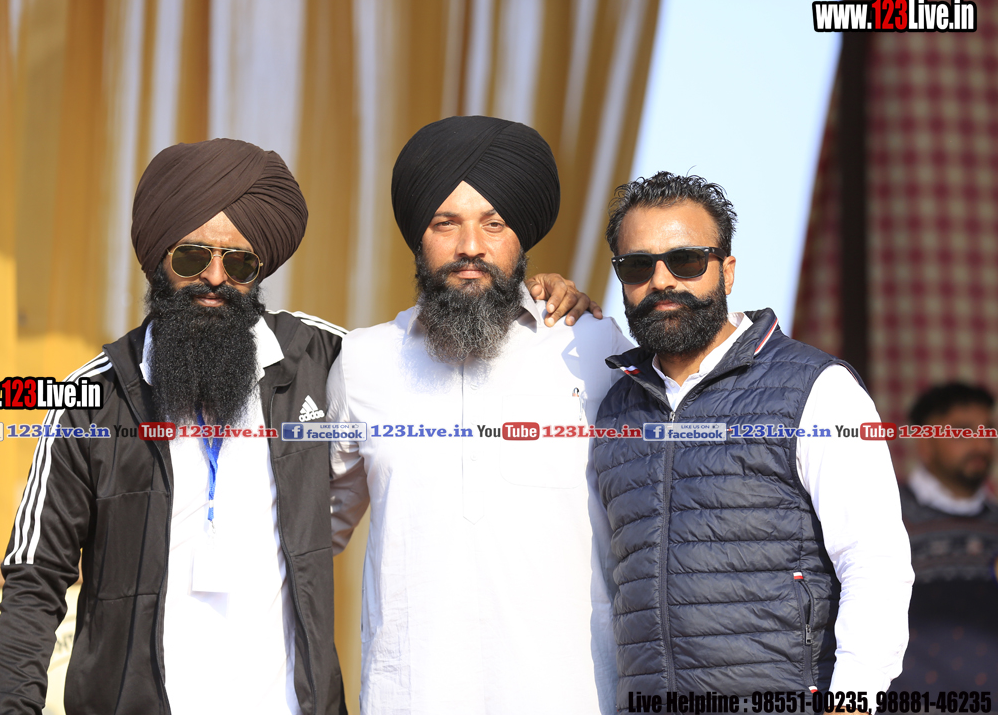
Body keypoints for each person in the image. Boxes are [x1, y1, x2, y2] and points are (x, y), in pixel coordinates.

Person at [0, 137, 589, 715]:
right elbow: (36, 576)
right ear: (157, 261)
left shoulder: (324, 360)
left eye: (239, 262)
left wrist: (536, 300)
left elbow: (436, 346)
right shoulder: (90, 399)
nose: (216, 278)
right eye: (192, 258)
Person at [328, 115, 632, 715]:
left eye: (494, 223)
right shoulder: (363, 361)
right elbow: (307, 534)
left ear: (522, 238)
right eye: (446, 223)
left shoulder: (593, 345)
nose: (471, 246)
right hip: (410, 699)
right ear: (419, 237)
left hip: (571, 697)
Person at [593, 171, 914, 699]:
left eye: (686, 260)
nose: (662, 280)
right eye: (637, 265)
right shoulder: (613, 407)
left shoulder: (817, 389)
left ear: (728, 271)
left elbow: (875, 564)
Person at [890, 382, 998, 689]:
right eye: (963, 432)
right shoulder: (887, 516)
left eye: (988, 431)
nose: (981, 445)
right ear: (926, 444)